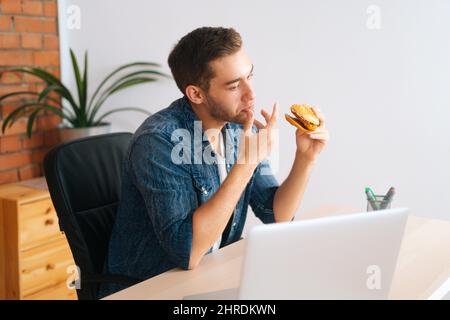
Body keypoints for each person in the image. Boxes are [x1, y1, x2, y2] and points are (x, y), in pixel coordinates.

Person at [101, 26, 329, 297]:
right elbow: (188, 251)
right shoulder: (159, 142)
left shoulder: (238, 129)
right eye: (234, 86)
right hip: (149, 289)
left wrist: (306, 158)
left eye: (250, 77)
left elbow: (275, 214)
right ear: (196, 94)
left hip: (210, 279)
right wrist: (245, 165)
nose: (251, 94)